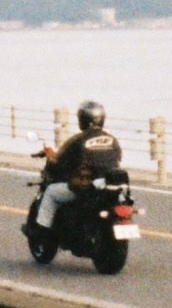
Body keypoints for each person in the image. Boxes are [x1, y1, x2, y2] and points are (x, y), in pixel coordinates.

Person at [32, 99, 124, 239]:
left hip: (87, 187)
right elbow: (117, 160)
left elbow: (59, 162)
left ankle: (42, 233)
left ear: (83, 119)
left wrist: (50, 157)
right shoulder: (112, 140)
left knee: (51, 192)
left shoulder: (79, 139)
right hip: (109, 186)